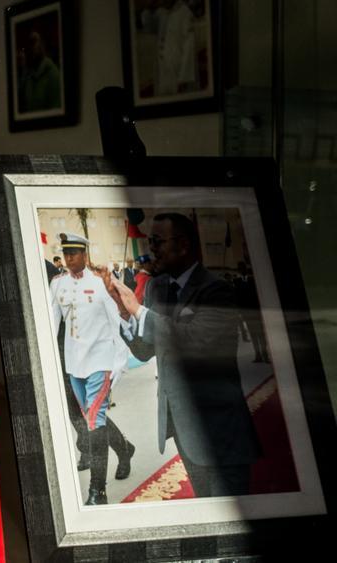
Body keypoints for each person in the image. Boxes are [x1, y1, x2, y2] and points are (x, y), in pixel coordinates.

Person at [112, 213, 260, 497]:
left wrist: (139, 311)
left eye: (157, 241)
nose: (151, 248)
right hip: (182, 426)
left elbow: (197, 340)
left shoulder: (217, 289)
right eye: (150, 241)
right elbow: (145, 351)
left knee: (230, 510)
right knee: (205, 503)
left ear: (183, 245)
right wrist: (124, 314)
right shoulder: (157, 287)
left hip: (220, 428)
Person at [48, 234, 135, 505]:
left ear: (84, 254)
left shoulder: (99, 284)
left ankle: (97, 491)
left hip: (100, 360)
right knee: (90, 418)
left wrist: (119, 362)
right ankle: (125, 449)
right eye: (66, 253)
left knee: (94, 421)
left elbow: (117, 323)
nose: (70, 257)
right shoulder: (58, 285)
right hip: (74, 363)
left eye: (74, 252)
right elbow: (52, 323)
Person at [18, 30, 62, 112]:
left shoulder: (53, 74)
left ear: (42, 44)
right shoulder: (27, 75)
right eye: (28, 43)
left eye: (33, 42)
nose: (30, 47)